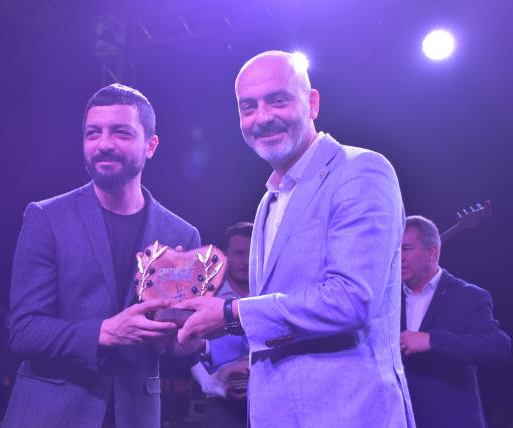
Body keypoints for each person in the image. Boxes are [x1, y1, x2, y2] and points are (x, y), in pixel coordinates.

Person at [175, 50, 414, 427]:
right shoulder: (268, 200)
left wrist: (230, 314)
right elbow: (275, 322)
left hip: (348, 414)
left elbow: (352, 299)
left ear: (312, 103)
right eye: (248, 107)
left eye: (278, 100)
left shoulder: (360, 171)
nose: (262, 117)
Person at [2, 83, 201, 428]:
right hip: (49, 416)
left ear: (150, 145)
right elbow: (24, 330)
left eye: (121, 133)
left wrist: (183, 345)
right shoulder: (47, 218)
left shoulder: (181, 235)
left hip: (135, 416)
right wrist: (104, 332)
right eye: (93, 133)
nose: (104, 144)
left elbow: (171, 346)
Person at [400, 215, 511, 428]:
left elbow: (499, 347)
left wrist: (433, 340)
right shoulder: (387, 299)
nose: (400, 257)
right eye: (397, 250)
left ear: (432, 252)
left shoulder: (468, 296)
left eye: (406, 248)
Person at [190, 222, 252, 428]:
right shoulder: (206, 297)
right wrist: (211, 385)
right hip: (221, 405)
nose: (245, 261)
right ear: (225, 256)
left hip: (268, 400)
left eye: (251, 253)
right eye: (239, 253)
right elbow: (189, 346)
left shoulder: (269, 294)